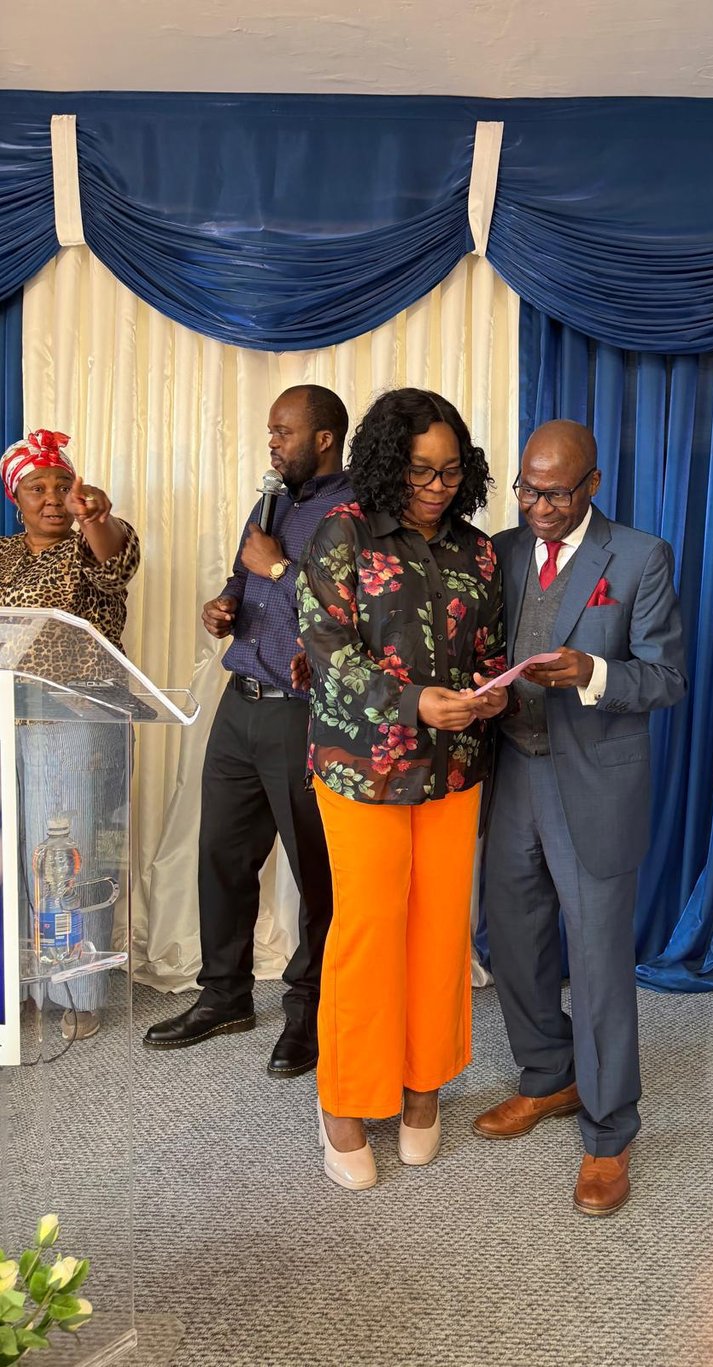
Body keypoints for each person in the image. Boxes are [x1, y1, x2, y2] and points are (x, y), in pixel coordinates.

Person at [473, 419, 687, 1216]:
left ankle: (609, 1132)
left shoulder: (640, 557)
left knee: (596, 958)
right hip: (512, 772)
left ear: (592, 485)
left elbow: (666, 677)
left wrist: (594, 670)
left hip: (592, 782)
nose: (539, 507)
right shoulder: (499, 551)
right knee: (512, 936)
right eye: (527, 490)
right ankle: (548, 1075)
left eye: (556, 493)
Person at [298, 387, 507, 1191]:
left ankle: (424, 1085)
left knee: (440, 930)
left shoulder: (477, 551)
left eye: (451, 471)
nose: (438, 486)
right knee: (370, 928)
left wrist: (490, 691)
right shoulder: (342, 534)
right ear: (389, 464)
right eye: (421, 470)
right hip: (362, 768)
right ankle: (345, 1099)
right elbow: (329, 651)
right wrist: (414, 700)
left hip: (452, 768)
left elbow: (489, 650)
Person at [144, 385, 350, 1079]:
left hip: (303, 712)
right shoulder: (271, 503)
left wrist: (277, 569)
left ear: (323, 438)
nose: (272, 443)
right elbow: (244, 576)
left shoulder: (354, 512)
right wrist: (225, 603)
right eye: (270, 431)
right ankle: (224, 994)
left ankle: (310, 1006)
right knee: (222, 854)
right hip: (240, 703)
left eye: (283, 431)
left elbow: (347, 611)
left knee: (315, 868)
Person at [0, 428, 140, 1041]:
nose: (53, 498)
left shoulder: (92, 542)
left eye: (63, 485)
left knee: (66, 857)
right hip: (8, 719)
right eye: (38, 488)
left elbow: (114, 562)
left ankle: (77, 992)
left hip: (74, 724)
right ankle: (25, 985)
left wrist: (98, 518)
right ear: (17, 499)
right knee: (16, 858)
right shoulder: (3, 555)